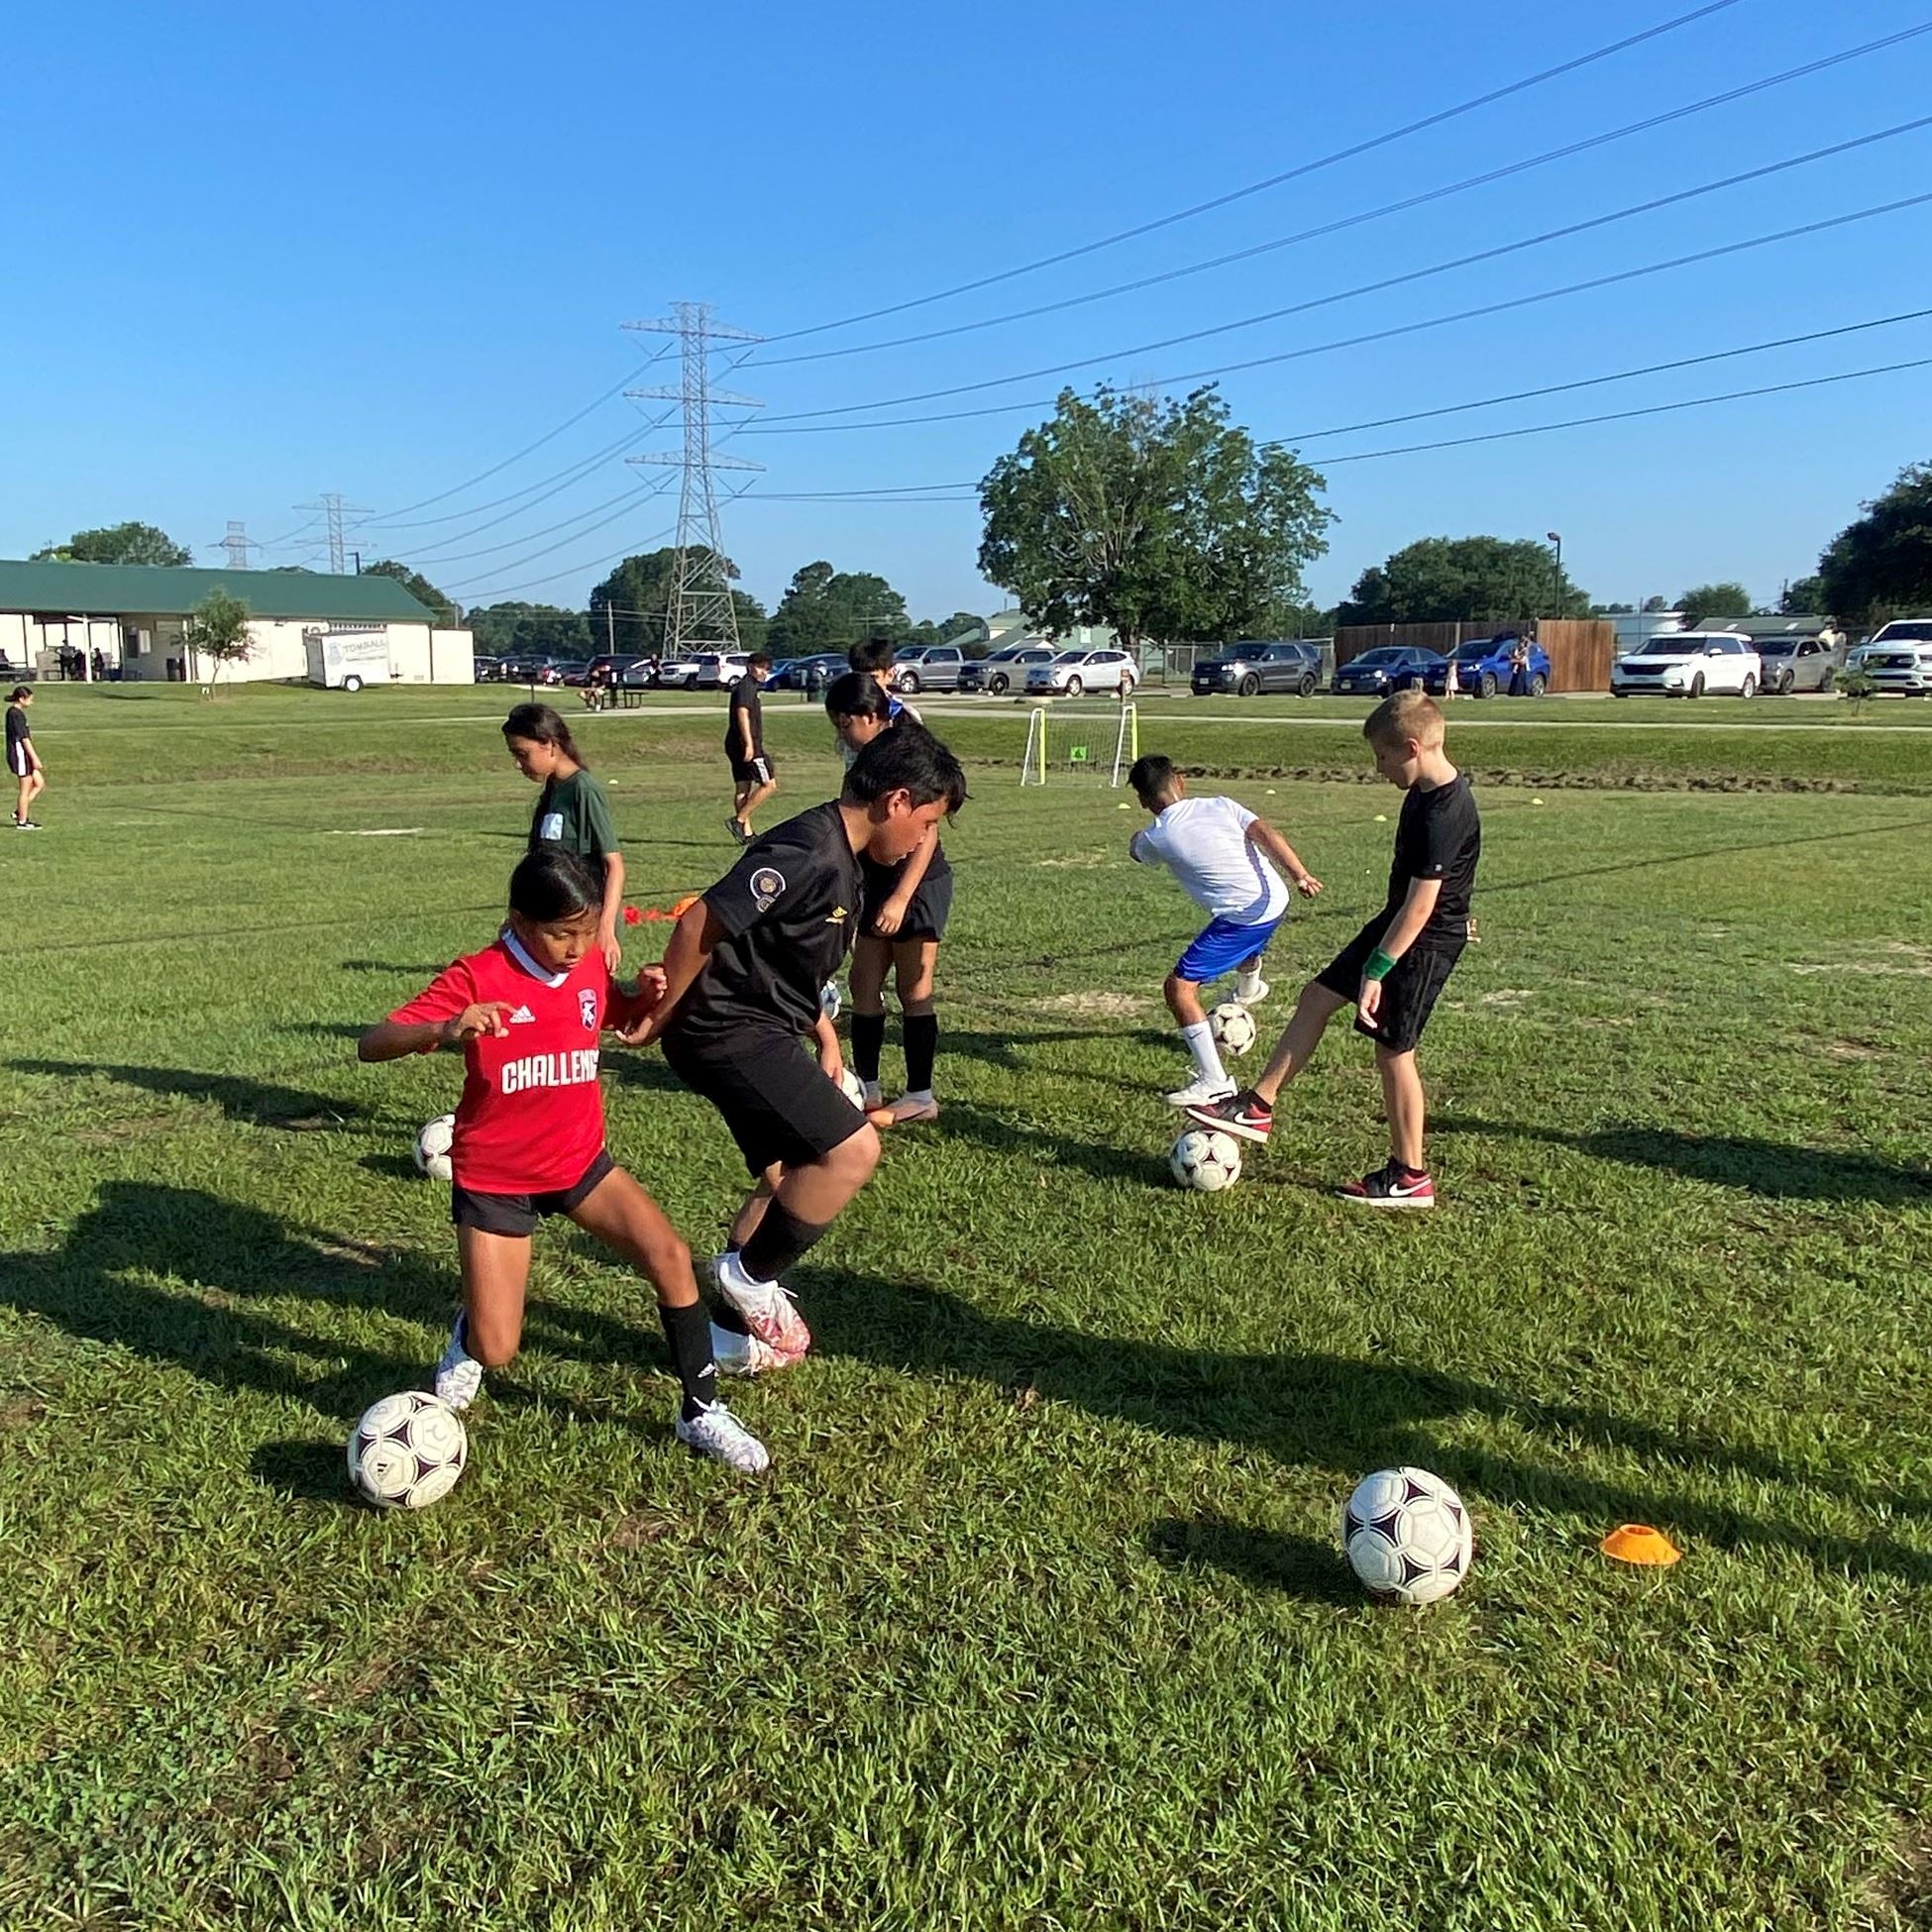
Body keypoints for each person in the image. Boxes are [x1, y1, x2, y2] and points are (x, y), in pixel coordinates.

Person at [356, 849, 768, 1472]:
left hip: (578, 1161)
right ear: (520, 921)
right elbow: (372, 1042)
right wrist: (443, 1029)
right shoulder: (476, 976)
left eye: (587, 930)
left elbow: (608, 1013)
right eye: (561, 933)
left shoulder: (587, 965)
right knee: (498, 1349)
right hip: (496, 1176)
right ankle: (471, 1334)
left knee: (671, 1257)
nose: (578, 947)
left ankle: (700, 1411)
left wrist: (637, 996)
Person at [621, 726, 967, 1372]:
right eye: (925, 823)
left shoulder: (853, 861)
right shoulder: (809, 849)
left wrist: (824, 1032)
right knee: (851, 1150)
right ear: (895, 800)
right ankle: (748, 1280)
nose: (923, 841)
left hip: (759, 1025)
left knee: (786, 1177)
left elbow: (778, 959)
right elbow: (702, 921)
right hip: (723, 1029)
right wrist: (660, 1017)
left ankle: (726, 1337)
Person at [1187, 690, 1480, 1208]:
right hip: (1398, 925)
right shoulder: (1422, 794)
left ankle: (1410, 1177)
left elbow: (1422, 907)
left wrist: (1378, 968)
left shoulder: (1445, 811)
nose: (1378, 767)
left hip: (1421, 939)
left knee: (1394, 1050)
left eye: (1382, 757)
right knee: (1317, 997)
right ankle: (1258, 1106)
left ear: (1411, 748)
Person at [1127, 754, 1322, 1107]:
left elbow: (1138, 853)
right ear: (1180, 781)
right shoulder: (1221, 804)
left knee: (1179, 989)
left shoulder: (1157, 837)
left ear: (1142, 800)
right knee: (1246, 946)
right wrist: (1300, 874)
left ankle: (1214, 1081)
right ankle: (1250, 988)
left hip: (1244, 917)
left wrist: (1136, 840)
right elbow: (1265, 833)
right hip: (1275, 898)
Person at [824, 672, 955, 1125]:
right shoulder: (862, 761)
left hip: (917, 882)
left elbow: (929, 834)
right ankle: (869, 1087)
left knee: (913, 989)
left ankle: (921, 1095)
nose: (843, 734)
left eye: (846, 724)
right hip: (874, 878)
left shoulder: (906, 751)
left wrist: (901, 897)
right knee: (864, 984)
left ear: (870, 716)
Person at [501, 702, 625, 973]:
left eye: (523, 754)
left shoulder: (584, 789)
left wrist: (605, 928)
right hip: (553, 923)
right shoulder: (553, 789)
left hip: (583, 925)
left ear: (550, 745)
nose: (518, 763)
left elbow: (614, 865)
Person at [725, 653, 777, 845]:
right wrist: (748, 744)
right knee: (769, 784)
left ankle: (746, 834)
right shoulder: (746, 686)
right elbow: (742, 713)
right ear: (750, 666)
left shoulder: (748, 686)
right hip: (747, 744)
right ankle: (738, 821)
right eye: (760, 667)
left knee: (742, 788)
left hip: (734, 743)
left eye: (766, 668)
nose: (764, 672)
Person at [847, 637, 922, 725]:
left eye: (873, 678)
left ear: (889, 675)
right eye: (859, 677)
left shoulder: (904, 715)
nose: (865, 684)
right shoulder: (846, 714)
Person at [7, 687, 44, 831]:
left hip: (24, 755)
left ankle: (19, 811)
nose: (32, 702)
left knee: (39, 783)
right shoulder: (15, 714)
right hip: (20, 755)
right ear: (21, 699)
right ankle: (22, 821)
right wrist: (35, 758)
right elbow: (23, 739)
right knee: (25, 787)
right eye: (30, 699)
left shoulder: (18, 713)